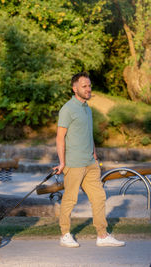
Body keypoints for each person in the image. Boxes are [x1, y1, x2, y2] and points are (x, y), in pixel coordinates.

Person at [54, 72, 125, 248]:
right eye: (84, 86)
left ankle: (102, 235)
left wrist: (94, 154)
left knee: (99, 197)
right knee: (70, 199)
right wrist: (62, 162)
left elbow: (88, 134)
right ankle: (65, 234)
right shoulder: (67, 109)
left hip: (90, 163)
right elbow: (60, 137)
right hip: (73, 163)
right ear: (75, 88)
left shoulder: (87, 109)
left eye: (89, 86)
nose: (88, 89)